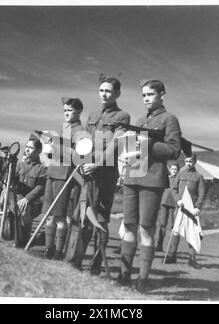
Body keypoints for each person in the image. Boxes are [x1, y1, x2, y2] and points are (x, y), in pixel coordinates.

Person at [118, 79, 182, 294]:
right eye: (143, 95)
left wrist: (150, 144)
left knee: (146, 228)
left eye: (150, 94)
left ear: (162, 94)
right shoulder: (139, 120)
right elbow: (132, 149)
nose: (146, 98)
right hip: (133, 176)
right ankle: (123, 276)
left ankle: (142, 280)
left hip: (152, 179)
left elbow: (174, 151)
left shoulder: (169, 119)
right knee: (128, 226)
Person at [79, 75, 130, 275]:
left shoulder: (122, 117)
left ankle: (96, 264)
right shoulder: (92, 115)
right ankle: (77, 259)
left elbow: (116, 145)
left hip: (105, 173)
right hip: (87, 172)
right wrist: (83, 161)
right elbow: (83, 140)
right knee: (84, 214)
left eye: (108, 91)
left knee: (100, 217)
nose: (104, 94)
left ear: (117, 93)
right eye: (101, 90)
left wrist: (97, 165)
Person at [42, 97, 85, 260]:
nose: (66, 113)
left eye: (70, 110)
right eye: (65, 111)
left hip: (64, 176)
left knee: (59, 216)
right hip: (53, 173)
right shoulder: (64, 129)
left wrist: (55, 147)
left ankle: (59, 251)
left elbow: (78, 157)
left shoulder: (81, 132)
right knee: (49, 215)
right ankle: (48, 248)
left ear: (79, 111)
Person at [164, 154, 206, 269]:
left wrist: (198, 206)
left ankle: (192, 258)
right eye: (186, 161)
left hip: (192, 210)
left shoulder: (199, 176)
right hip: (180, 208)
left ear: (195, 162)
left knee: (192, 232)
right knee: (176, 231)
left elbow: (202, 194)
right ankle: (172, 255)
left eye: (191, 161)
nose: (188, 163)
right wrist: (177, 200)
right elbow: (173, 189)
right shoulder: (180, 174)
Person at [14, 134, 47, 246]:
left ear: (39, 150)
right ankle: (13, 236)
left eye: (31, 147)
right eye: (27, 147)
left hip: (34, 203)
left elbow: (40, 187)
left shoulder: (42, 168)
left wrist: (27, 199)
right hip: (19, 199)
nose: (27, 149)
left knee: (24, 208)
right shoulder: (20, 165)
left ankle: (22, 240)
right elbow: (13, 182)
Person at [155, 163, 180, 252]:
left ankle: (171, 248)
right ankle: (159, 245)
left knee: (172, 226)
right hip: (164, 203)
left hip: (173, 204)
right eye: (172, 169)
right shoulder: (166, 179)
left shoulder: (179, 180)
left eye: (175, 169)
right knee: (162, 224)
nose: (173, 170)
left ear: (178, 170)